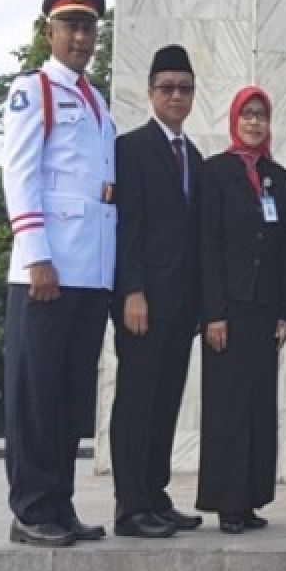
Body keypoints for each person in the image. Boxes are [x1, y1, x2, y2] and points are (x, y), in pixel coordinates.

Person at [1, 0, 116, 546]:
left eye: (89, 25)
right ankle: (30, 510)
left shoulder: (97, 100)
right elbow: (21, 176)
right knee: (37, 392)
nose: (80, 36)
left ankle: (60, 504)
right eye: (71, 24)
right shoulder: (35, 90)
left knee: (71, 394)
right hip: (46, 271)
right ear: (51, 31)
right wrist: (37, 256)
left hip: (88, 274)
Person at [110, 44, 204, 539]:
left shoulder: (194, 155)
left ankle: (156, 493)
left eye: (184, 88)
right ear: (150, 93)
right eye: (166, 87)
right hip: (142, 302)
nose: (176, 95)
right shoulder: (131, 148)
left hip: (180, 304)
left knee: (166, 400)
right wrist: (133, 291)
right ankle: (130, 506)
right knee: (137, 400)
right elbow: (128, 226)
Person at [197, 86, 286, 533]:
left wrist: (285, 313)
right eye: (247, 115)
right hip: (229, 310)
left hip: (264, 310)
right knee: (227, 407)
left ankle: (252, 498)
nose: (255, 122)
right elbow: (208, 247)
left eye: (261, 115)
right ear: (234, 120)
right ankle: (227, 502)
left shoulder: (278, 176)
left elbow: (285, 246)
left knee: (258, 405)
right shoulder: (215, 172)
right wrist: (213, 312)